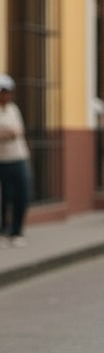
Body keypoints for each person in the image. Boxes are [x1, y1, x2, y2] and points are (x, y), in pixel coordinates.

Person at [0, 74, 30, 247]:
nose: (6, 95)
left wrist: (6, 133)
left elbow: (18, 131)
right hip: (2, 160)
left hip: (18, 158)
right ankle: (3, 231)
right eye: (3, 91)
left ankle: (17, 231)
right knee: (4, 197)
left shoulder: (13, 110)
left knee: (22, 195)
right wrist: (7, 133)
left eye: (8, 92)